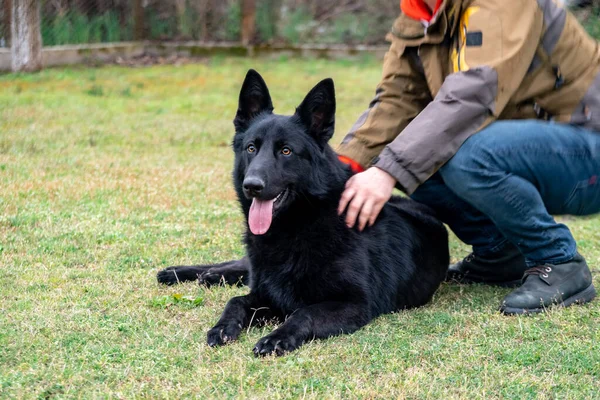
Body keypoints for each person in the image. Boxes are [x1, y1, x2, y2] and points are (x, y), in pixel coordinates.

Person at [336, 0, 600, 314]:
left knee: (466, 155)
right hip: (532, 151)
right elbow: (397, 98)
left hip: (587, 148)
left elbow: (474, 93)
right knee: (405, 149)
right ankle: (499, 253)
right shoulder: (419, 13)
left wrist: (387, 171)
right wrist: (341, 169)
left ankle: (558, 261)